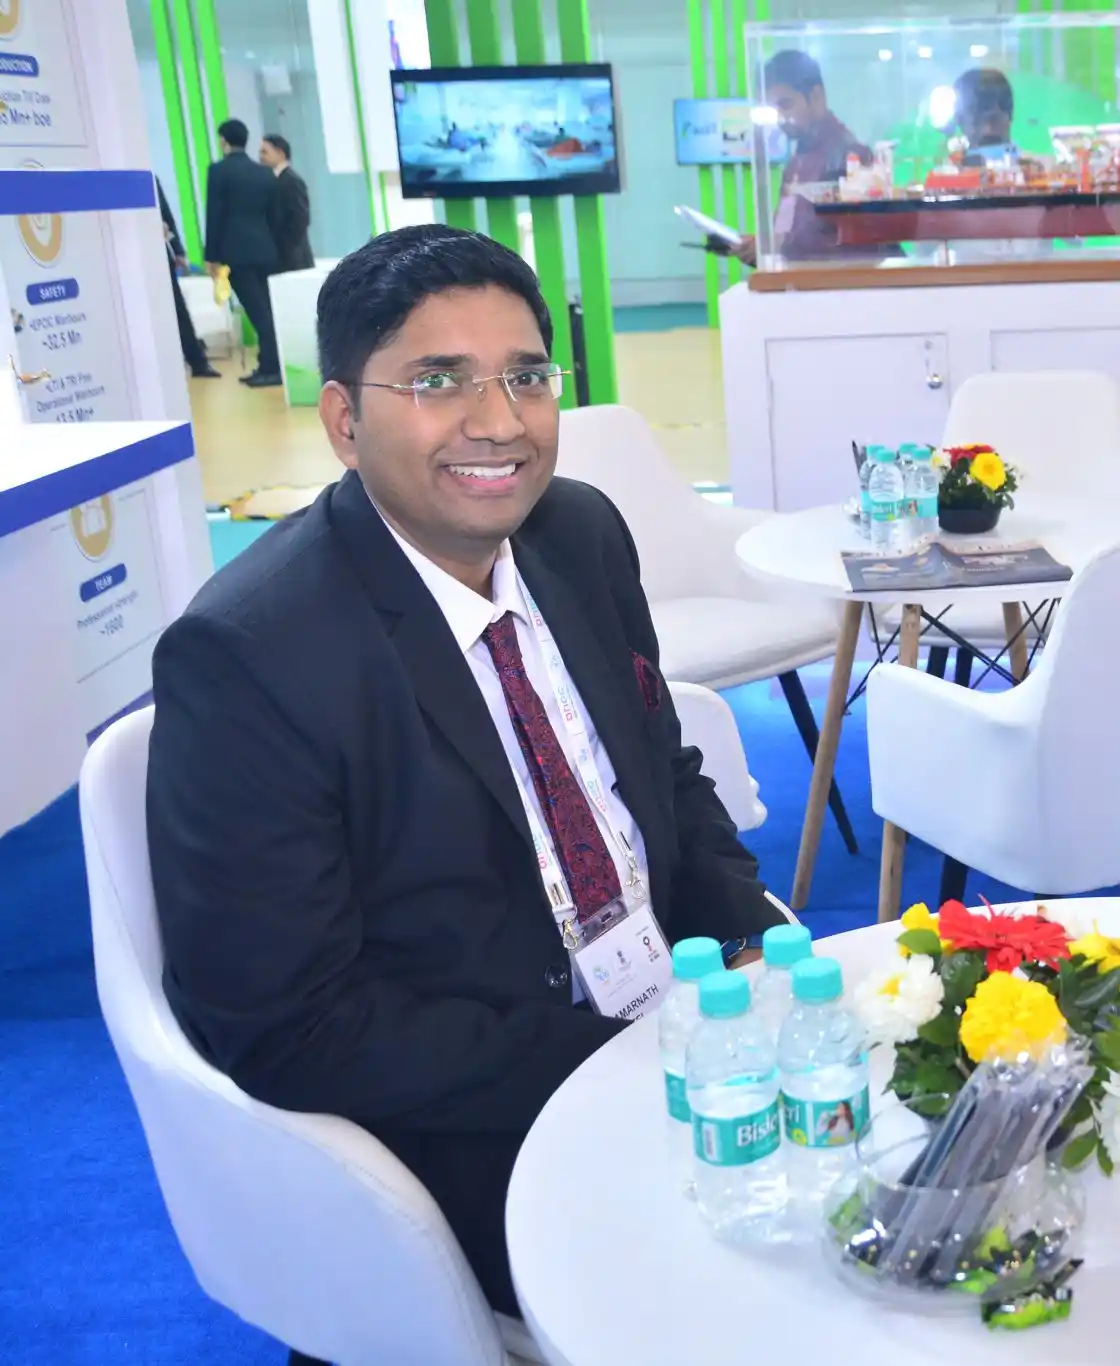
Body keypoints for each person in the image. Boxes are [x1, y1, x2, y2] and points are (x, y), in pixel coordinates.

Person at [148, 224, 784, 1315]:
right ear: (344, 420)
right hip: (470, 1126)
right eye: (438, 381)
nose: (499, 422)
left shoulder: (578, 534)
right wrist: (616, 1062)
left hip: (672, 1032)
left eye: (526, 376)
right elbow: (287, 1024)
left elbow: (663, 771)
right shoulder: (253, 654)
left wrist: (754, 946)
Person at [733, 50, 890, 266]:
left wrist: (780, 251)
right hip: (798, 282)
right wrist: (763, 247)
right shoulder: (797, 161)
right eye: (773, 109)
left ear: (816, 96)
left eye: (786, 104)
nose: (780, 118)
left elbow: (866, 252)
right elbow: (787, 231)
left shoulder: (850, 157)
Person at [203, 118, 284, 386]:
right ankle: (268, 364)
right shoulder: (264, 173)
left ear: (223, 141)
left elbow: (214, 215)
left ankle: (272, 369)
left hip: (236, 253)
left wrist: (211, 256)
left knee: (259, 314)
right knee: (267, 310)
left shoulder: (218, 171)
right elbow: (275, 217)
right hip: (266, 251)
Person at [156, 175, 219, 379]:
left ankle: (198, 362)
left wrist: (178, 250)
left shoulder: (149, 178)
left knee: (178, 309)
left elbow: (165, 216)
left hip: (159, 255)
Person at [260, 133, 315, 272]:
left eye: (265, 152)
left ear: (280, 153)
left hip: (293, 259)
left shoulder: (291, 181)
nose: (261, 157)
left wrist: (285, 247)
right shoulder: (273, 180)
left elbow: (300, 219)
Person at [953, 67, 1019, 167]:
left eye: (994, 119)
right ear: (959, 119)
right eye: (977, 121)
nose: (988, 130)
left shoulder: (1038, 170)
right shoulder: (948, 172)